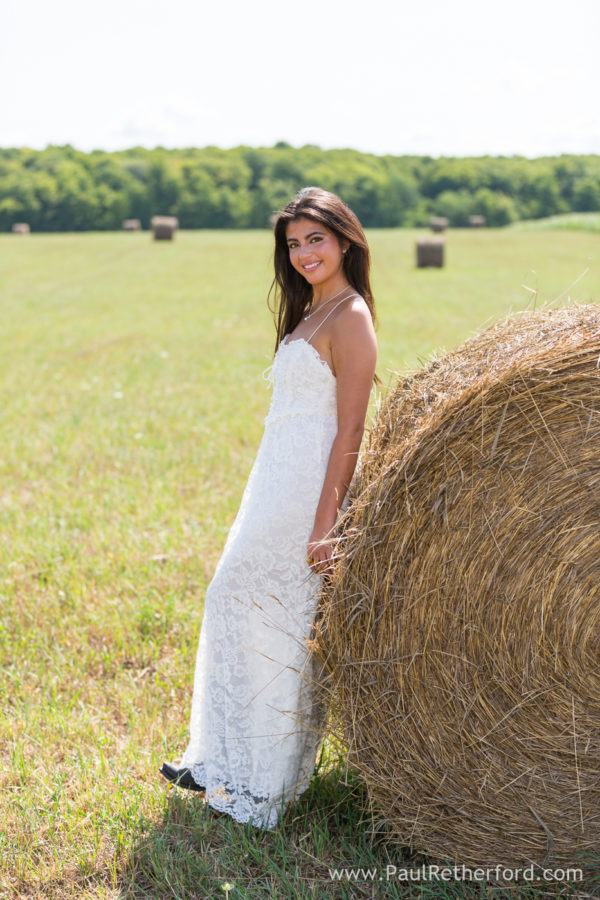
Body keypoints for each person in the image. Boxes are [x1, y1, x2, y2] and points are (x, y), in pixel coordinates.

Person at [160, 186, 377, 828]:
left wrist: (326, 524)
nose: (305, 253)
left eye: (316, 239)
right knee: (234, 602)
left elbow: (351, 429)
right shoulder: (310, 309)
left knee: (275, 622)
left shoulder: (351, 316)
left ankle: (262, 786)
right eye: (294, 243)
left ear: (345, 240)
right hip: (275, 480)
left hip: (309, 490)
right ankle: (219, 760)